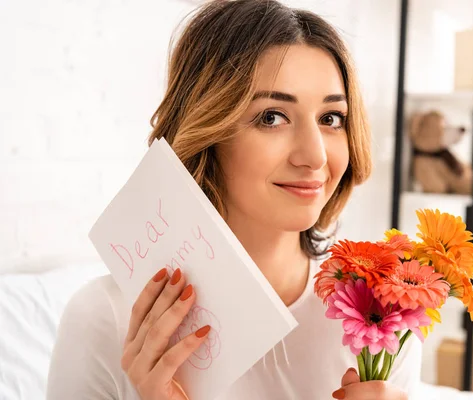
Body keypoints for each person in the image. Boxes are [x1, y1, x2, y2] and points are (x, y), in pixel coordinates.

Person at [46, 0, 422, 399]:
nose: (315, 156)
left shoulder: (381, 319)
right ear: (208, 130)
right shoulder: (104, 318)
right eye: (271, 117)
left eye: (331, 119)